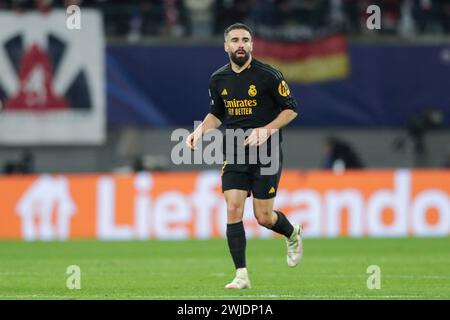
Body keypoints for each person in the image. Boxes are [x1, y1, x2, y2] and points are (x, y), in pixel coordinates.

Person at [185, 23, 303, 290]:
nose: (240, 44)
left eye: (245, 40)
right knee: (233, 207)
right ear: (226, 46)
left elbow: (291, 109)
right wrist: (200, 131)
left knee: (263, 217)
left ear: (252, 45)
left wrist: (266, 130)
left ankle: (292, 232)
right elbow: (218, 114)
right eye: (235, 40)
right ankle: (241, 275)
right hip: (235, 149)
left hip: (267, 151)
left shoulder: (269, 75)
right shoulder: (218, 79)